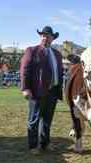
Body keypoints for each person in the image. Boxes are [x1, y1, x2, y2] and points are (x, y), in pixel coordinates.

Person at [20, 26, 64, 155]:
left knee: (47, 120)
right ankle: (33, 146)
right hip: (36, 91)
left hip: (53, 91)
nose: (45, 37)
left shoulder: (57, 54)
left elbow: (60, 73)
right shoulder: (31, 51)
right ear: (41, 37)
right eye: (43, 35)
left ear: (52, 38)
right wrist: (26, 88)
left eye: (48, 35)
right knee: (34, 119)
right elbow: (24, 70)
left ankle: (45, 143)